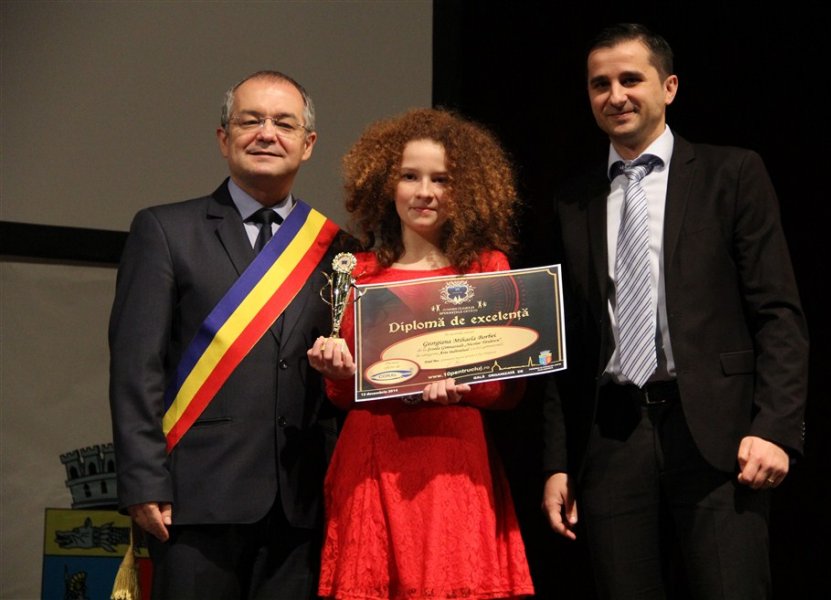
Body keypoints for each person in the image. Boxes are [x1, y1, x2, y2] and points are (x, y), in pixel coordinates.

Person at [541, 23, 809, 599]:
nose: (615, 95)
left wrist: (775, 428)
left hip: (720, 434)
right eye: (600, 84)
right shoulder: (573, 200)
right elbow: (567, 342)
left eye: (630, 79)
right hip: (612, 437)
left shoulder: (731, 174)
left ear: (669, 87)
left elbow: (779, 314)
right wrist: (557, 461)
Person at [109, 70, 351, 598]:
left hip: (302, 506)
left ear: (308, 144)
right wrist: (143, 480)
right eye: (250, 121)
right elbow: (136, 369)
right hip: (194, 501)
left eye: (284, 123)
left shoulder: (338, 250)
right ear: (224, 138)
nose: (267, 133)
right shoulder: (165, 230)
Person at [307, 108, 535, 599]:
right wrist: (337, 373)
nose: (424, 192)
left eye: (441, 179)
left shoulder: (487, 269)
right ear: (386, 185)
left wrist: (465, 389)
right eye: (410, 176)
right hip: (374, 459)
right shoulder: (357, 272)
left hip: (453, 461)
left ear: (465, 189)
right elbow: (343, 397)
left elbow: (508, 391)